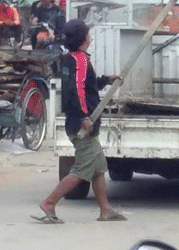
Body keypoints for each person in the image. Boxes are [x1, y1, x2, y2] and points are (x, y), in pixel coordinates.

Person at [32, 19, 126, 224]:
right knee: (82, 170)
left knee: (98, 166)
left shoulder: (70, 59)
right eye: (88, 34)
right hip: (82, 123)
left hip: (76, 121)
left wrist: (104, 80)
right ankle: (49, 203)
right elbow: (77, 90)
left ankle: (105, 210)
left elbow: (85, 85)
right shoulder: (81, 60)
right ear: (85, 39)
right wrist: (85, 116)